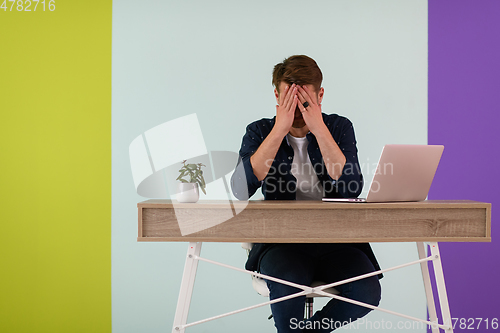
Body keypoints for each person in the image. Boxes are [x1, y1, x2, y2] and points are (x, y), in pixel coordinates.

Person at [230, 55, 382, 332]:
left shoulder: (338, 127)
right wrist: (279, 129)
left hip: (337, 240)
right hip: (280, 242)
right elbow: (241, 189)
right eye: (289, 99)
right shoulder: (259, 130)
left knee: (367, 292)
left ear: (320, 94)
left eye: (304, 100)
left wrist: (319, 128)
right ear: (276, 94)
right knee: (289, 285)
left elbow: (351, 187)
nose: (297, 108)